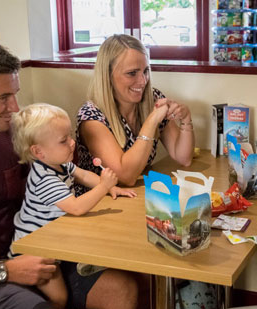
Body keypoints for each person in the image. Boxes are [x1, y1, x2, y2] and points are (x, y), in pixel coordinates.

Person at [0, 38, 138, 309]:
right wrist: (6, 270)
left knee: (123, 290)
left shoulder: (13, 136)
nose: (14, 107)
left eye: (14, 94)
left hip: (31, 257)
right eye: (1, 98)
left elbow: (55, 182)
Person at [8, 103, 136, 309]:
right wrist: (104, 186)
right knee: (60, 297)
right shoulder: (44, 179)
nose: (72, 143)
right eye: (63, 140)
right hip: (34, 252)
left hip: (55, 241)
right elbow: (76, 207)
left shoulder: (59, 163)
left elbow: (84, 175)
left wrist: (113, 189)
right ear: (38, 151)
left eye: (69, 136)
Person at [75, 34, 195, 196]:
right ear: (107, 75)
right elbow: (125, 177)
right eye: (132, 73)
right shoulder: (91, 117)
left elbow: (184, 158)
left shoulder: (152, 99)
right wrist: (152, 121)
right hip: (98, 205)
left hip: (135, 197)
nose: (142, 81)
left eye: (145, 71)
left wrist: (186, 120)